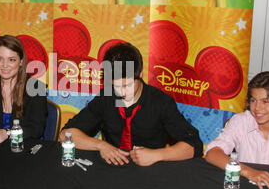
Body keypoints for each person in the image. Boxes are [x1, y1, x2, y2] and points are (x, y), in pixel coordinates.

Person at [59, 42, 203, 166]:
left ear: (139, 74)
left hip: (149, 171)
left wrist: (157, 155)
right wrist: (100, 145)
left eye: (127, 85)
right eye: (115, 86)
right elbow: (66, 134)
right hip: (112, 169)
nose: (121, 93)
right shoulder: (107, 97)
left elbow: (194, 145)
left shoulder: (160, 102)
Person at [205, 71, 269, 189]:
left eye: (265, 101)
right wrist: (250, 172)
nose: (257, 108)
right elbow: (212, 154)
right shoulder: (241, 122)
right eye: (253, 100)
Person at [0, 35, 47, 146]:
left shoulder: (36, 87)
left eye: (11, 60)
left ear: (21, 61)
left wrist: (8, 133)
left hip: (24, 147)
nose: (4, 65)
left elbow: (36, 129)